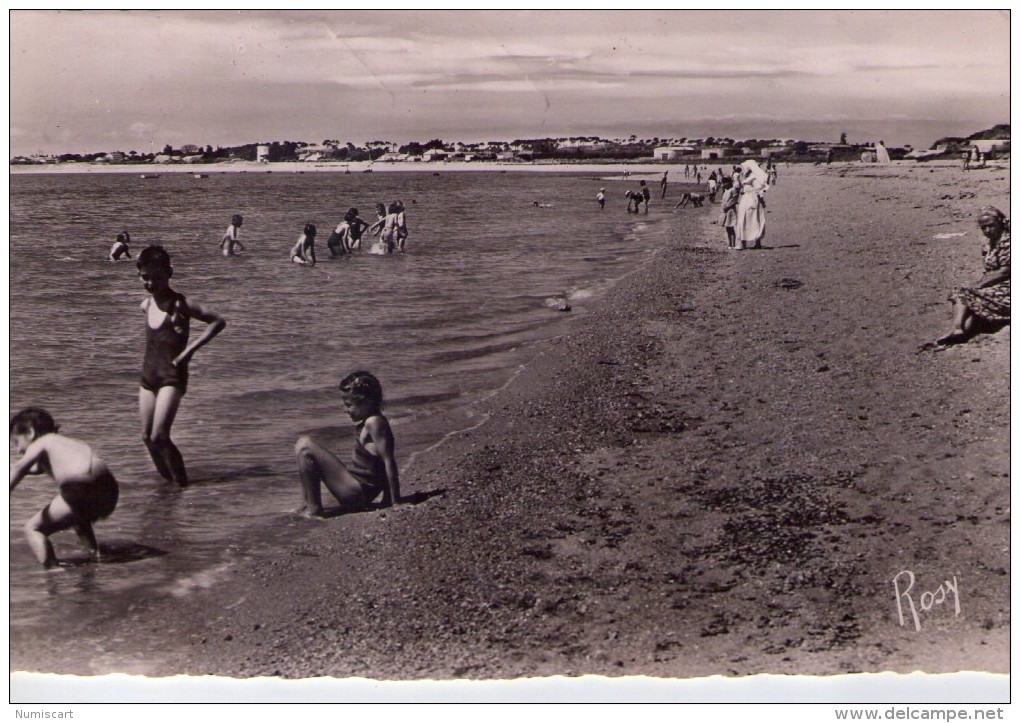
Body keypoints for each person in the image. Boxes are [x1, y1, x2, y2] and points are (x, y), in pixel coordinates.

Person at [137, 245, 226, 486]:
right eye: (146, 277)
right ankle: (169, 487)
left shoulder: (181, 305)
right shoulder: (146, 305)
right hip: (148, 376)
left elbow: (218, 321)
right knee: (146, 437)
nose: (151, 283)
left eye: (157, 277)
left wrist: (188, 353)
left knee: (160, 436)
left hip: (172, 377)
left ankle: (182, 487)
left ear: (169, 273)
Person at [9, 408, 119, 567]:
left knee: (32, 528)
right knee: (78, 517)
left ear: (31, 432)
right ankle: (95, 554)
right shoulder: (65, 443)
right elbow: (37, 469)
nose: (18, 450)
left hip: (79, 486)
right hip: (108, 490)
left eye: (17, 442)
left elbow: (20, 468)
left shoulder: (42, 442)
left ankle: (53, 570)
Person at [294, 371, 402, 517]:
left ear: (366, 402)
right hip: (358, 490)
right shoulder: (371, 422)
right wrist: (386, 499)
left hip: (358, 493)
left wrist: (395, 502)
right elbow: (383, 464)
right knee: (304, 445)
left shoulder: (374, 422)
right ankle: (307, 505)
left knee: (304, 445)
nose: (345, 410)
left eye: (348, 405)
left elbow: (389, 462)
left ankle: (313, 509)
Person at [936, 207, 1010, 346]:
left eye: (991, 226)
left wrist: (979, 285)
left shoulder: (1008, 241)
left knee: (962, 292)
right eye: (984, 228)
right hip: (998, 288)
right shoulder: (989, 244)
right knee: (971, 305)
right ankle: (959, 334)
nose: (988, 230)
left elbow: (1005, 271)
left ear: (1000, 222)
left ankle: (957, 328)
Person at [735, 160, 769, 250]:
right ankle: (744, 243)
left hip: (751, 199)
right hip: (745, 199)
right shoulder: (747, 177)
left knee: (753, 220)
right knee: (744, 219)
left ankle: (756, 242)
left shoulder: (754, 177)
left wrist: (762, 201)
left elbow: (759, 190)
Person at [719, 177, 738, 249]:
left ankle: (734, 244)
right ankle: (730, 244)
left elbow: (734, 200)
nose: (723, 184)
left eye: (725, 183)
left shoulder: (733, 190)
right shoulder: (725, 191)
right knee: (727, 227)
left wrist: (727, 206)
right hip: (725, 211)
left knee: (731, 227)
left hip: (730, 210)